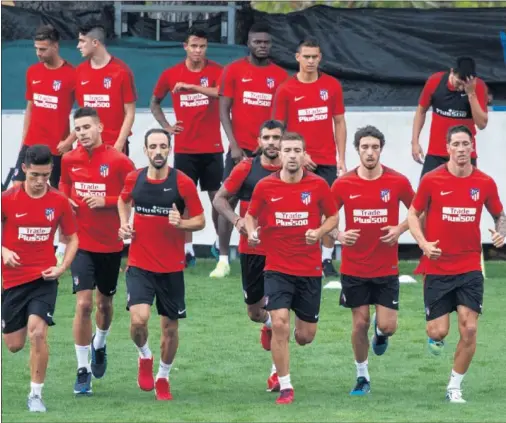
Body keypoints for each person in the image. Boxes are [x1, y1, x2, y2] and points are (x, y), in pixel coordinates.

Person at [407, 125, 505, 403]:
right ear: (447, 148)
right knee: (437, 331)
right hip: (437, 268)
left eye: (466, 144)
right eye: (456, 144)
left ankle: (454, 387)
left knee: (470, 328)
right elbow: (413, 214)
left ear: (472, 147)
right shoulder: (432, 180)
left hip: (470, 268)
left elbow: (501, 215)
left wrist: (501, 232)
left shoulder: (484, 182)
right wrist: (424, 244)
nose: (462, 149)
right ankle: (435, 339)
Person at [245, 132, 338, 404]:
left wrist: (319, 231)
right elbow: (250, 215)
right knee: (281, 324)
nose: (293, 155)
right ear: (280, 155)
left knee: (305, 336)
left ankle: (280, 341)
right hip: (277, 269)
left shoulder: (319, 185)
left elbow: (333, 216)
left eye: (298, 150)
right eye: (288, 150)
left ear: (304, 154)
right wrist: (251, 233)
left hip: (308, 271)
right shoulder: (265, 186)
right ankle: (285, 385)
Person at [118, 129, 205, 401]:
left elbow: (201, 221)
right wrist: (125, 223)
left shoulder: (183, 183)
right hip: (140, 265)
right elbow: (123, 201)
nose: (158, 151)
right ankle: (145, 356)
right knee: (138, 319)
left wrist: (183, 223)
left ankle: (164, 376)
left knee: (170, 329)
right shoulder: (135, 178)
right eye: (153, 146)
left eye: (163, 146)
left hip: (171, 268)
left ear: (169, 149)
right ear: (145, 150)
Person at [330, 126, 415, 396]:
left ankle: (381, 334)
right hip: (354, 268)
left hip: (386, 268)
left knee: (387, 326)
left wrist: (400, 230)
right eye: (365, 147)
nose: (370, 152)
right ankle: (362, 376)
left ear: (381, 149)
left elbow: (419, 211)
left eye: (374, 147)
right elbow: (325, 218)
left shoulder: (397, 181)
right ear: (357, 150)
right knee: (359, 323)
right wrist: (339, 234)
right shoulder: (343, 184)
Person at [59, 107, 135, 395]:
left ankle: (100, 343)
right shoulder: (69, 159)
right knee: (83, 305)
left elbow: (132, 195)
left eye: (87, 127)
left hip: (110, 245)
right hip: (80, 243)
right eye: (78, 129)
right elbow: (63, 184)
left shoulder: (119, 161)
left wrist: (106, 199)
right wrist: (67, 198)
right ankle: (82, 369)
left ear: (100, 127)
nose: (83, 133)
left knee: (104, 304)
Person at [2, 145, 78, 412]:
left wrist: (62, 267)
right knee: (14, 345)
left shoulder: (58, 202)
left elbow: (72, 238)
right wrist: (4, 250)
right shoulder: (7, 199)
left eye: (45, 176)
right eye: (34, 175)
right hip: (11, 280)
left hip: (44, 278)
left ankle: (35, 395)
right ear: (24, 169)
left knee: (37, 333)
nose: (39, 181)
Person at [213, 22, 289, 278]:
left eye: (266, 42)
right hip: (240, 149)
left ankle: (276, 253)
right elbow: (224, 109)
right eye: (257, 42)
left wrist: (272, 146)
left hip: (269, 149)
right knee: (228, 199)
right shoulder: (233, 70)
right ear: (248, 43)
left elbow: (281, 118)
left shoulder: (280, 75)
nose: (262, 46)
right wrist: (234, 145)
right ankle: (223, 257)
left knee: (277, 200)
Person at [213, 120, 283, 392]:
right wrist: (237, 219)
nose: (272, 142)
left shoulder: (294, 168)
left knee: (280, 315)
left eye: (277, 137)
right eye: (267, 137)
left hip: (283, 253)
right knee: (256, 312)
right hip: (252, 250)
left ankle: (278, 372)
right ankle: (265, 324)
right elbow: (220, 199)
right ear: (259, 140)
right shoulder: (246, 168)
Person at [273, 37, 347, 277]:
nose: (311, 61)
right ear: (297, 58)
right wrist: (299, 155)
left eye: (315, 57)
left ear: (320, 58)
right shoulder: (286, 89)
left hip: (326, 160)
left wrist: (341, 158)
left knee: (329, 211)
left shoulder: (332, 86)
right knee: (296, 208)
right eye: (306, 56)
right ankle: (296, 257)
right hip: (298, 162)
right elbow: (279, 129)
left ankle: (326, 260)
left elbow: (339, 121)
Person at [150, 27, 223, 267]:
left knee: (218, 200)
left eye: (202, 46)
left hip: (212, 147)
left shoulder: (216, 71)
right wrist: (167, 127)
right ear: (185, 46)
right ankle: (187, 251)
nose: (198, 51)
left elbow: (220, 92)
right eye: (194, 46)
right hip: (185, 149)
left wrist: (193, 87)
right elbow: (155, 102)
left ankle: (219, 246)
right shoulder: (171, 74)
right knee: (183, 201)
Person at [12, 24, 76, 189]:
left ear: (55, 46)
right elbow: (30, 108)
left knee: (59, 192)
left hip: (58, 147)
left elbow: (86, 113)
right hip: (31, 143)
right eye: (36, 48)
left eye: (43, 49)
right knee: (18, 187)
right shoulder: (32, 72)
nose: (38, 53)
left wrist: (70, 141)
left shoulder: (72, 74)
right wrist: (23, 141)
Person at [411, 57, 489, 177]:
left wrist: (471, 94)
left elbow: (482, 124)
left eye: (464, 85)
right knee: (425, 193)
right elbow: (421, 111)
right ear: (452, 72)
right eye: (458, 83)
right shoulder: (435, 81)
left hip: (465, 156)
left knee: (465, 195)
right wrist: (415, 142)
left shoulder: (477, 86)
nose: (460, 88)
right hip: (436, 154)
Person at [75, 24, 136, 155]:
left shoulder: (121, 71)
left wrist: (119, 145)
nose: (78, 46)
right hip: (85, 147)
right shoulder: (79, 71)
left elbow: (130, 112)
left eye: (82, 41)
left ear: (95, 42)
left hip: (113, 146)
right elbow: (81, 112)